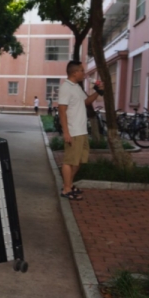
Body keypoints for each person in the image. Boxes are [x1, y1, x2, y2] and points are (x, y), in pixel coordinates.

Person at [57, 60, 103, 201]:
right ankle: (66, 189)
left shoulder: (76, 87)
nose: (84, 73)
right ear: (74, 72)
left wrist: (98, 92)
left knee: (79, 161)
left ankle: (69, 185)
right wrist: (66, 132)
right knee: (69, 161)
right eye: (82, 71)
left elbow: (86, 102)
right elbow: (62, 111)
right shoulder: (66, 88)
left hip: (81, 130)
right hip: (73, 131)